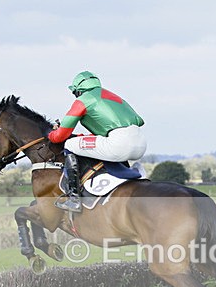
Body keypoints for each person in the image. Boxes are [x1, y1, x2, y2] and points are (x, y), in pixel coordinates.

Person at [47, 71, 146, 211]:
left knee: (69, 144)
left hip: (118, 144)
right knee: (90, 144)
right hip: (140, 144)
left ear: (78, 91)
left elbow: (60, 135)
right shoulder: (114, 97)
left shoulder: (83, 100)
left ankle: (74, 198)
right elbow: (139, 121)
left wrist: (51, 134)